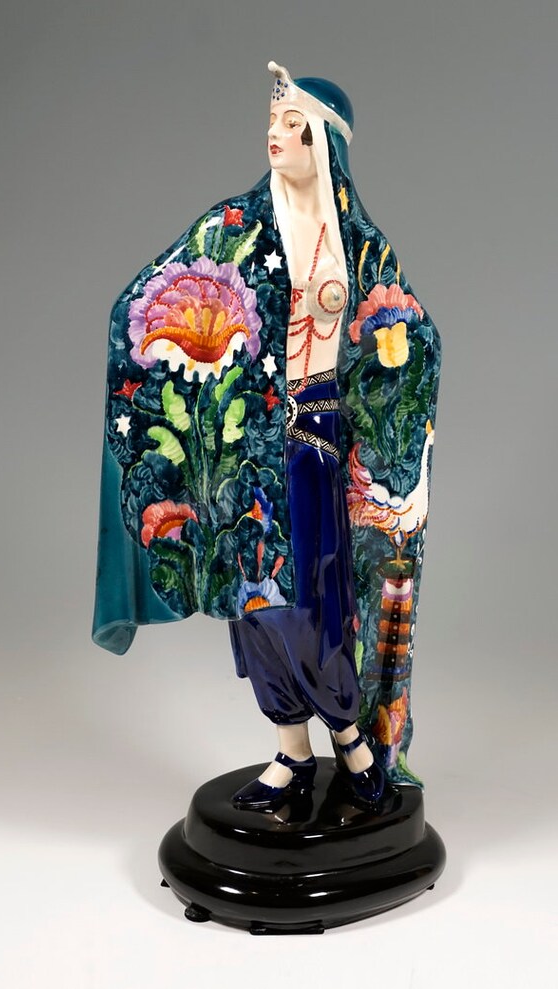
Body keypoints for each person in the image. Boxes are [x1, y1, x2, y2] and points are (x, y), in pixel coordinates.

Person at [92, 61, 441, 810]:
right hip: (249, 443)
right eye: (272, 120)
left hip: (320, 439)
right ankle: (290, 747)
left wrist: (394, 353)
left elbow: (412, 333)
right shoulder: (236, 228)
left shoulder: (362, 246)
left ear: (325, 143)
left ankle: (348, 736)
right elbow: (150, 300)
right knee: (256, 595)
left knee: (318, 594)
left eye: (292, 124)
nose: (274, 134)